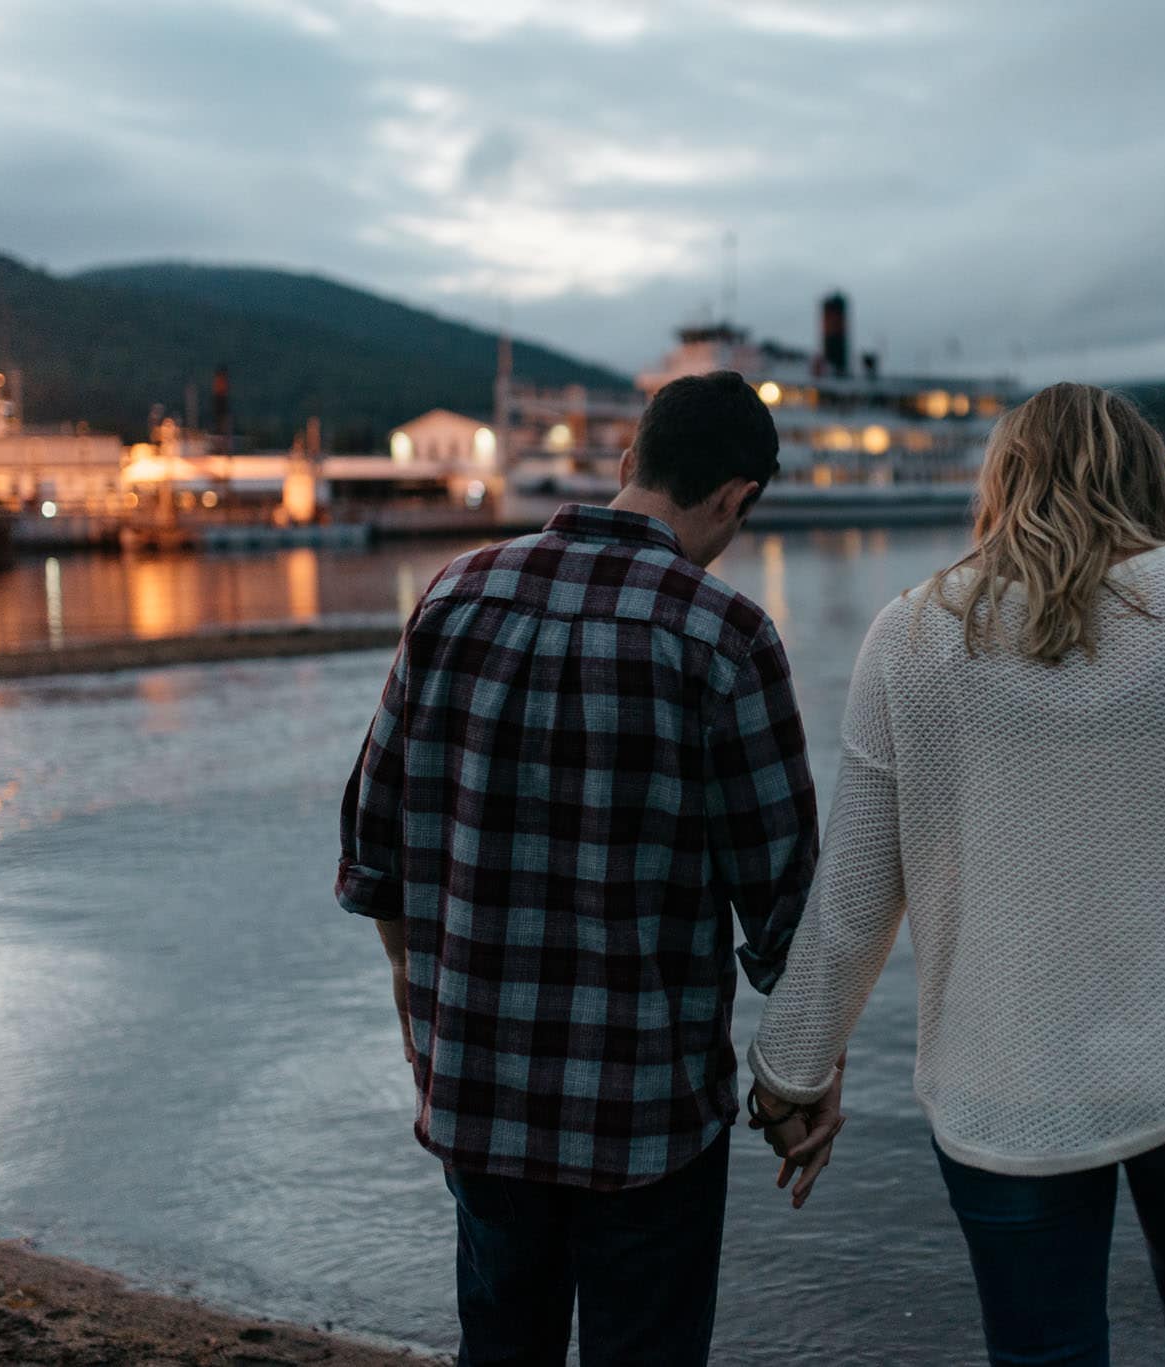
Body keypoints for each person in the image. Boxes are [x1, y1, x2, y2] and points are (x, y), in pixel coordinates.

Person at [748, 382, 1165, 1366]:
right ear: (1148, 483)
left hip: (1003, 1082)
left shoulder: (908, 633)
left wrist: (788, 1074)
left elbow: (853, 897)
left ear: (1000, 483)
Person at [335, 369, 838, 1366]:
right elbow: (786, 909)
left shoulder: (453, 594)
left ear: (626, 463)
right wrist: (803, 1076)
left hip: (475, 1090)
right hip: (643, 1119)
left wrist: (413, 995)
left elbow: (373, 842)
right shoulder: (726, 638)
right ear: (737, 497)